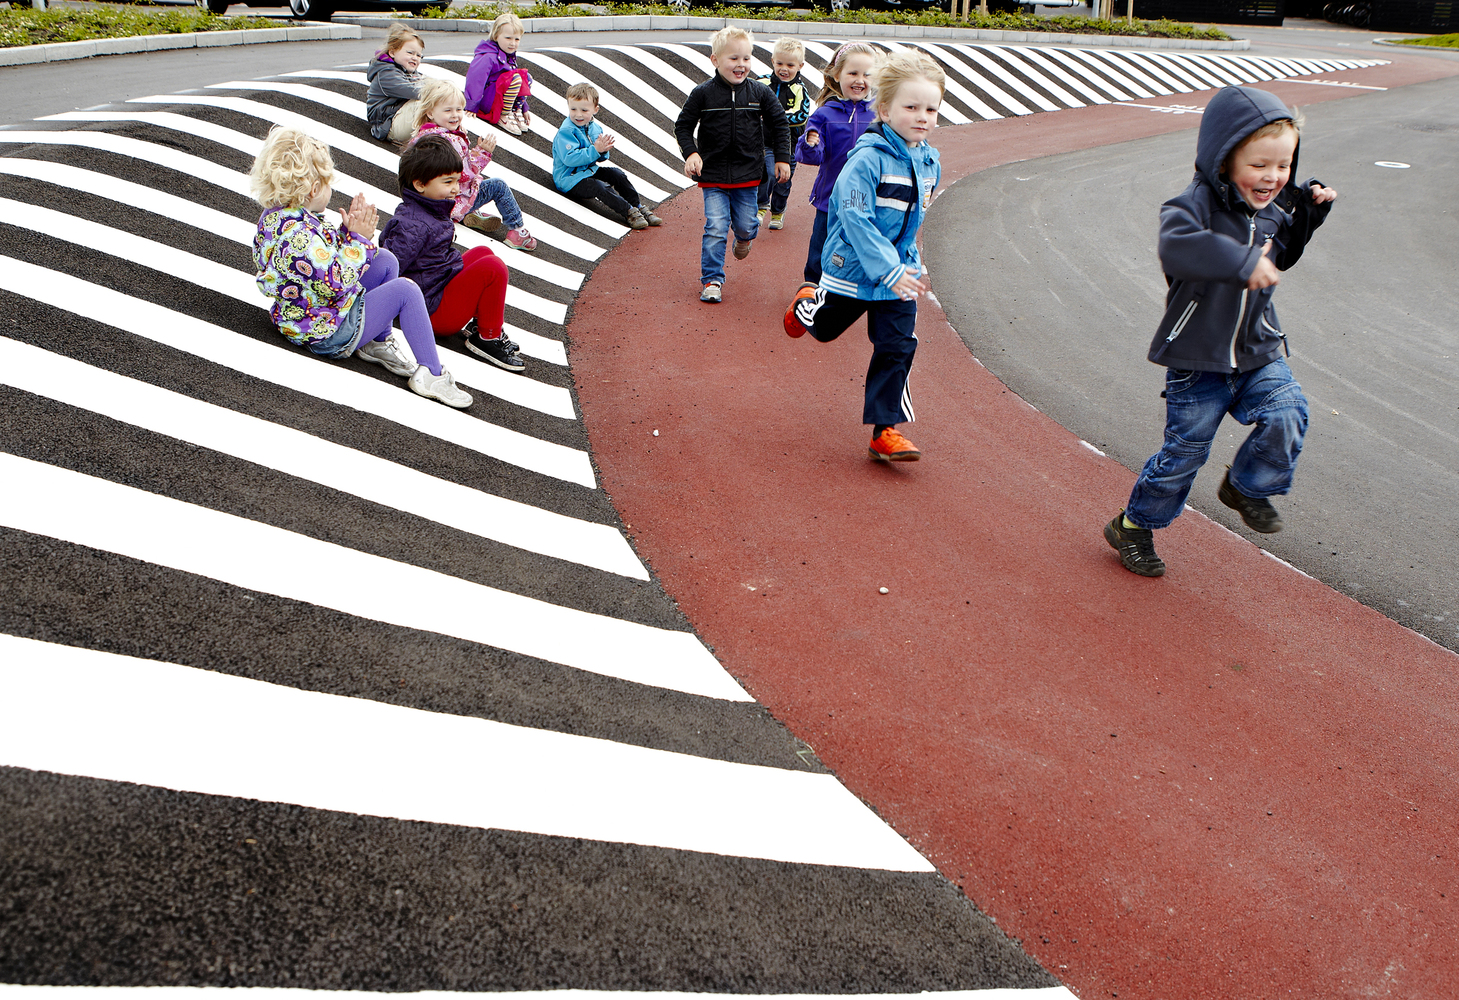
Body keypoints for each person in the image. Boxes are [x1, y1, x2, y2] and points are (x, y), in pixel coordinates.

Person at [1103, 85, 1337, 578]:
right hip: (1198, 358)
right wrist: (1240, 259)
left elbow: (1282, 258)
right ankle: (1133, 525)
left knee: (1288, 412)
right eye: (1259, 165)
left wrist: (1308, 218)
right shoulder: (1191, 206)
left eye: (1284, 165)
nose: (1273, 177)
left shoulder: (1274, 210)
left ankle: (1247, 486)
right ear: (1224, 159)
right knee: (1184, 455)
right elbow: (1178, 247)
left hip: (1258, 349)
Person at [783, 53, 943, 463]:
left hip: (898, 275)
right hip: (851, 270)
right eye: (911, 107)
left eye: (931, 108)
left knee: (897, 346)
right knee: (827, 330)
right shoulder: (866, 159)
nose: (922, 117)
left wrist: (902, 267)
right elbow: (855, 219)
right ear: (885, 109)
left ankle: (885, 431)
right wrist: (886, 268)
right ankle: (806, 308)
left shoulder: (930, 161)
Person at [250, 126, 472, 409]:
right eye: (329, 183)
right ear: (314, 189)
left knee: (385, 260)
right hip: (325, 332)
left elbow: (312, 268)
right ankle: (432, 374)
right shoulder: (301, 235)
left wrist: (344, 234)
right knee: (406, 290)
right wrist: (356, 240)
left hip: (305, 313)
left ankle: (376, 342)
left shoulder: (280, 219)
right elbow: (335, 282)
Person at [379, 135, 525, 374]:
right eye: (448, 182)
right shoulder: (416, 224)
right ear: (420, 184)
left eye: (457, 181)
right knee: (493, 267)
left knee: (483, 252)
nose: (456, 189)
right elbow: (392, 264)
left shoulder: (427, 209)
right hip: (432, 312)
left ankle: (482, 323)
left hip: (435, 287)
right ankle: (488, 338)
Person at [673, 26, 791, 304]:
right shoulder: (703, 94)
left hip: (748, 174)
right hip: (712, 174)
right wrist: (691, 153)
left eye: (746, 59)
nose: (741, 65)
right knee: (715, 225)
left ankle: (745, 237)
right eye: (733, 59)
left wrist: (783, 158)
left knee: (746, 225)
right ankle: (712, 279)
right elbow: (683, 126)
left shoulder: (760, 93)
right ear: (715, 60)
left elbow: (779, 123)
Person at [407, 78, 538, 251]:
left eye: (459, 109)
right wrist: (482, 153)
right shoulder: (449, 141)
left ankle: (470, 213)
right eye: (448, 110)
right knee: (498, 186)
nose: (455, 115)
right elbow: (463, 173)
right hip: (451, 199)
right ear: (430, 113)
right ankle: (517, 230)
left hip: (426, 198)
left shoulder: (423, 136)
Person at [794, 42, 877, 285]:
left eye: (867, 74)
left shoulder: (879, 114)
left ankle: (847, 288)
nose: (859, 80)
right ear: (836, 74)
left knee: (859, 247)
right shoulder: (825, 114)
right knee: (820, 248)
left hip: (867, 198)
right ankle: (811, 288)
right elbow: (812, 157)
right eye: (852, 73)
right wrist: (810, 144)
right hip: (830, 197)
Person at [552, 82, 662, 231]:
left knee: (617, 174)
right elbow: (569, 159)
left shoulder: (594, 128)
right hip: (569, 179)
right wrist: (595, 150)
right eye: (573, 109)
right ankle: (628, 212)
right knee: (599, 186)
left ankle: (638, 206)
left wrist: (603, 151)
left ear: (595, 110)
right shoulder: (566, 131)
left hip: (588, 170)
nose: (578, 114)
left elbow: (601, 158)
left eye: (584, 110)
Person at [756, 37, 813, 232]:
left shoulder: (800, 90)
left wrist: (771, 116)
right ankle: (761, 205)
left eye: (790, 65)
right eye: (779, 63)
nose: (784, 69)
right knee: (767, 173)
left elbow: (800, 116)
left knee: (783, 182)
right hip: (764, 142)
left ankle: (778, 210)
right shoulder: (761, 82)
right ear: (772, 61)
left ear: (800, 66)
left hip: (789, 146)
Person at [464, 11, 532, 136]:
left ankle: (514, 110)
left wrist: (523, 107)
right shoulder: (488, 56)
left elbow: (519, 87)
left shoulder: (508, 55)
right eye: (508, 38)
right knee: (515, 78)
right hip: (488, 101)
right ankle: (504, 115)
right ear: (496, 36)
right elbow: (475, 80)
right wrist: (472, 105)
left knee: (525, 77)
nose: (513, 43)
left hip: (498, 98)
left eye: (517, 39)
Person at [366, 23, 426, 144]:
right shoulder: (386, 73)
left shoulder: (409, 72)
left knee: (440, 97)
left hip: (397, 119)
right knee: (430, 99)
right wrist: (438, 92)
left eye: (419, 55)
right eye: (410, 53)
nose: (415, 58)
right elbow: (412, 91)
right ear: (392, 52)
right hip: (388, 125)